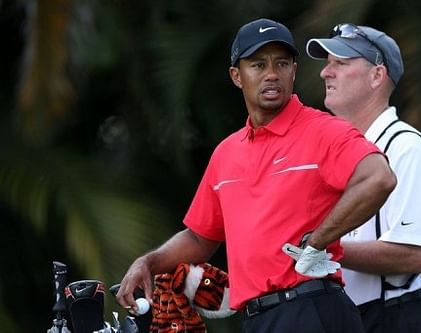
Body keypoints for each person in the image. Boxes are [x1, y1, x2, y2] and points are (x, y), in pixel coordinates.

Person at [116, 18, 396, 333]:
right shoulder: (226, 153)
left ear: (294, 70)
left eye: (281, 63)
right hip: (258, 319)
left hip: (312, 309)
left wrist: (317, 241)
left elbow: (378, 178)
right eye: (258, 65)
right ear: (237, 76)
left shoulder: (325, 131)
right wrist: (150, 262)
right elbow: (199, 237)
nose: (272, 74)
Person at [306, 23, 421, 333]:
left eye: (340, 63)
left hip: (400, 318)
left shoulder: (407, 147)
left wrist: (321, 247)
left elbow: (413, 255)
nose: (325, 73)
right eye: (328, 63)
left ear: (377, 76)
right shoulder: (332, 153)